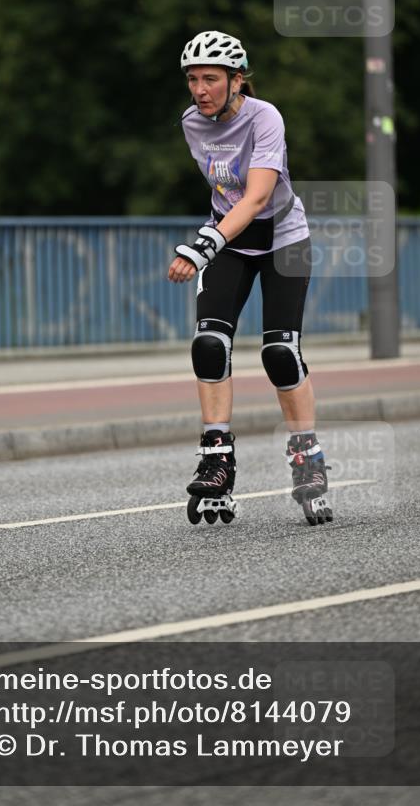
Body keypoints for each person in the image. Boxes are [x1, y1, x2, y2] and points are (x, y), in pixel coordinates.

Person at [168, 30, 331, 526]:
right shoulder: (192, 123)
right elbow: (224, 193)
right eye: (193, 79)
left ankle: (307, 458)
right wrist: (217, 241)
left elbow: (257, 197)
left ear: (237, 80)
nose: (200, 89)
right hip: (232, 241)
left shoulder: (266, 117)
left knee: (280, 353)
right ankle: (217, 456)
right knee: (209, 344)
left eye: (211, 79)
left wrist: (203, 245)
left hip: (282, 238)